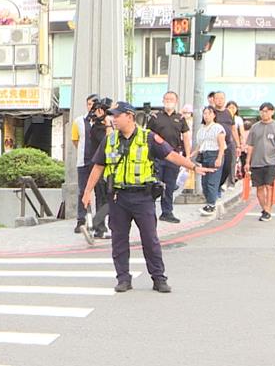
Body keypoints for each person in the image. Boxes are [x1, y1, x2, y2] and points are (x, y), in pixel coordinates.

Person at [81, 101, 210, 294]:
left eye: (117, 116)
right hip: (118, 197)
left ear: (130, 117)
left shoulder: (148, 138)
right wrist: (87, 192)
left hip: (143, 197)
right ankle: (123, 279)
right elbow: (98, 166)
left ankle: (159, 278)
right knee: (119, 240)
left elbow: (171, 155)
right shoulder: (110, 140)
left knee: (150, 240)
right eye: (113, 116)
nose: (113, 119)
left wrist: (193, 167)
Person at [147, 91, 191, 224]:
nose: (168, 101)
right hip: (157, 157)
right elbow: (147, 135)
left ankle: (167, 212)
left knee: (170, 186)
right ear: (162, 100)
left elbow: (186, 137)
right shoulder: (155, 117)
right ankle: (150, 212)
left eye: (171, 99)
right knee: (154, 185)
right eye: (166, 99)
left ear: (176, 101)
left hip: (174, 156)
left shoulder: (181, 118)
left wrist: (187, 156)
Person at [244, 102, 275, 222]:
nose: (264, 113)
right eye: (262, 111)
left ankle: (268, 210)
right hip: (256, 162)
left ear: (272, 112)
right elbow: (250, 146)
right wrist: (247, 162)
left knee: (269, 186)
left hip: (272, 162)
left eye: (267, 111)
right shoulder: (255, 127)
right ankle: (264, 209)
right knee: (259, 188)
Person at [78, 97, 112, 243]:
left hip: (106, 169)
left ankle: (98, 227)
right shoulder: (98, 128)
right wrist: (108, 124)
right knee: (105, 198)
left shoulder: (100, 126)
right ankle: (97, 227)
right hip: (100, 169)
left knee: (106, 198)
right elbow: (110, 142)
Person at [190, 107, 227, 216]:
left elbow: (221, 145)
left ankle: (211, 204)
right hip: (204, 155)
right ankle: (209, 202)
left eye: (209, 113)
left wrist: (219, 158)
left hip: (214, 154)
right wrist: (191, 154)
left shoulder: (218, 128)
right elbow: (199, 145)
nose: (206, 116)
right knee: (204, 182)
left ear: (214, 115)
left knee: (212, 181)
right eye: (205, 113)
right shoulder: (201, 129)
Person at [73, 93, 99, 234]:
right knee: (83, 191)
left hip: (99, 163)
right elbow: (75, 140)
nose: (92, 107)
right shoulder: (78, 121)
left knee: (100, 192)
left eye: (94, 104)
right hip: (83, 161)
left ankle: (99, 222)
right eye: (89, 104)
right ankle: (81, 220)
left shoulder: (104, 121)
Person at [210, 91, 239, 189]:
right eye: (217, 98)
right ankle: (214, 189)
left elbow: (233, 129)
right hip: (215, 145)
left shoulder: (229, 112)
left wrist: (238, 145)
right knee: (216, 168)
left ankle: (219, 186)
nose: (219, 101)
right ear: (213, 100)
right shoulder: (210, 112)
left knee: (227, 167)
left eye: (222, 98)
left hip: (228, 144)